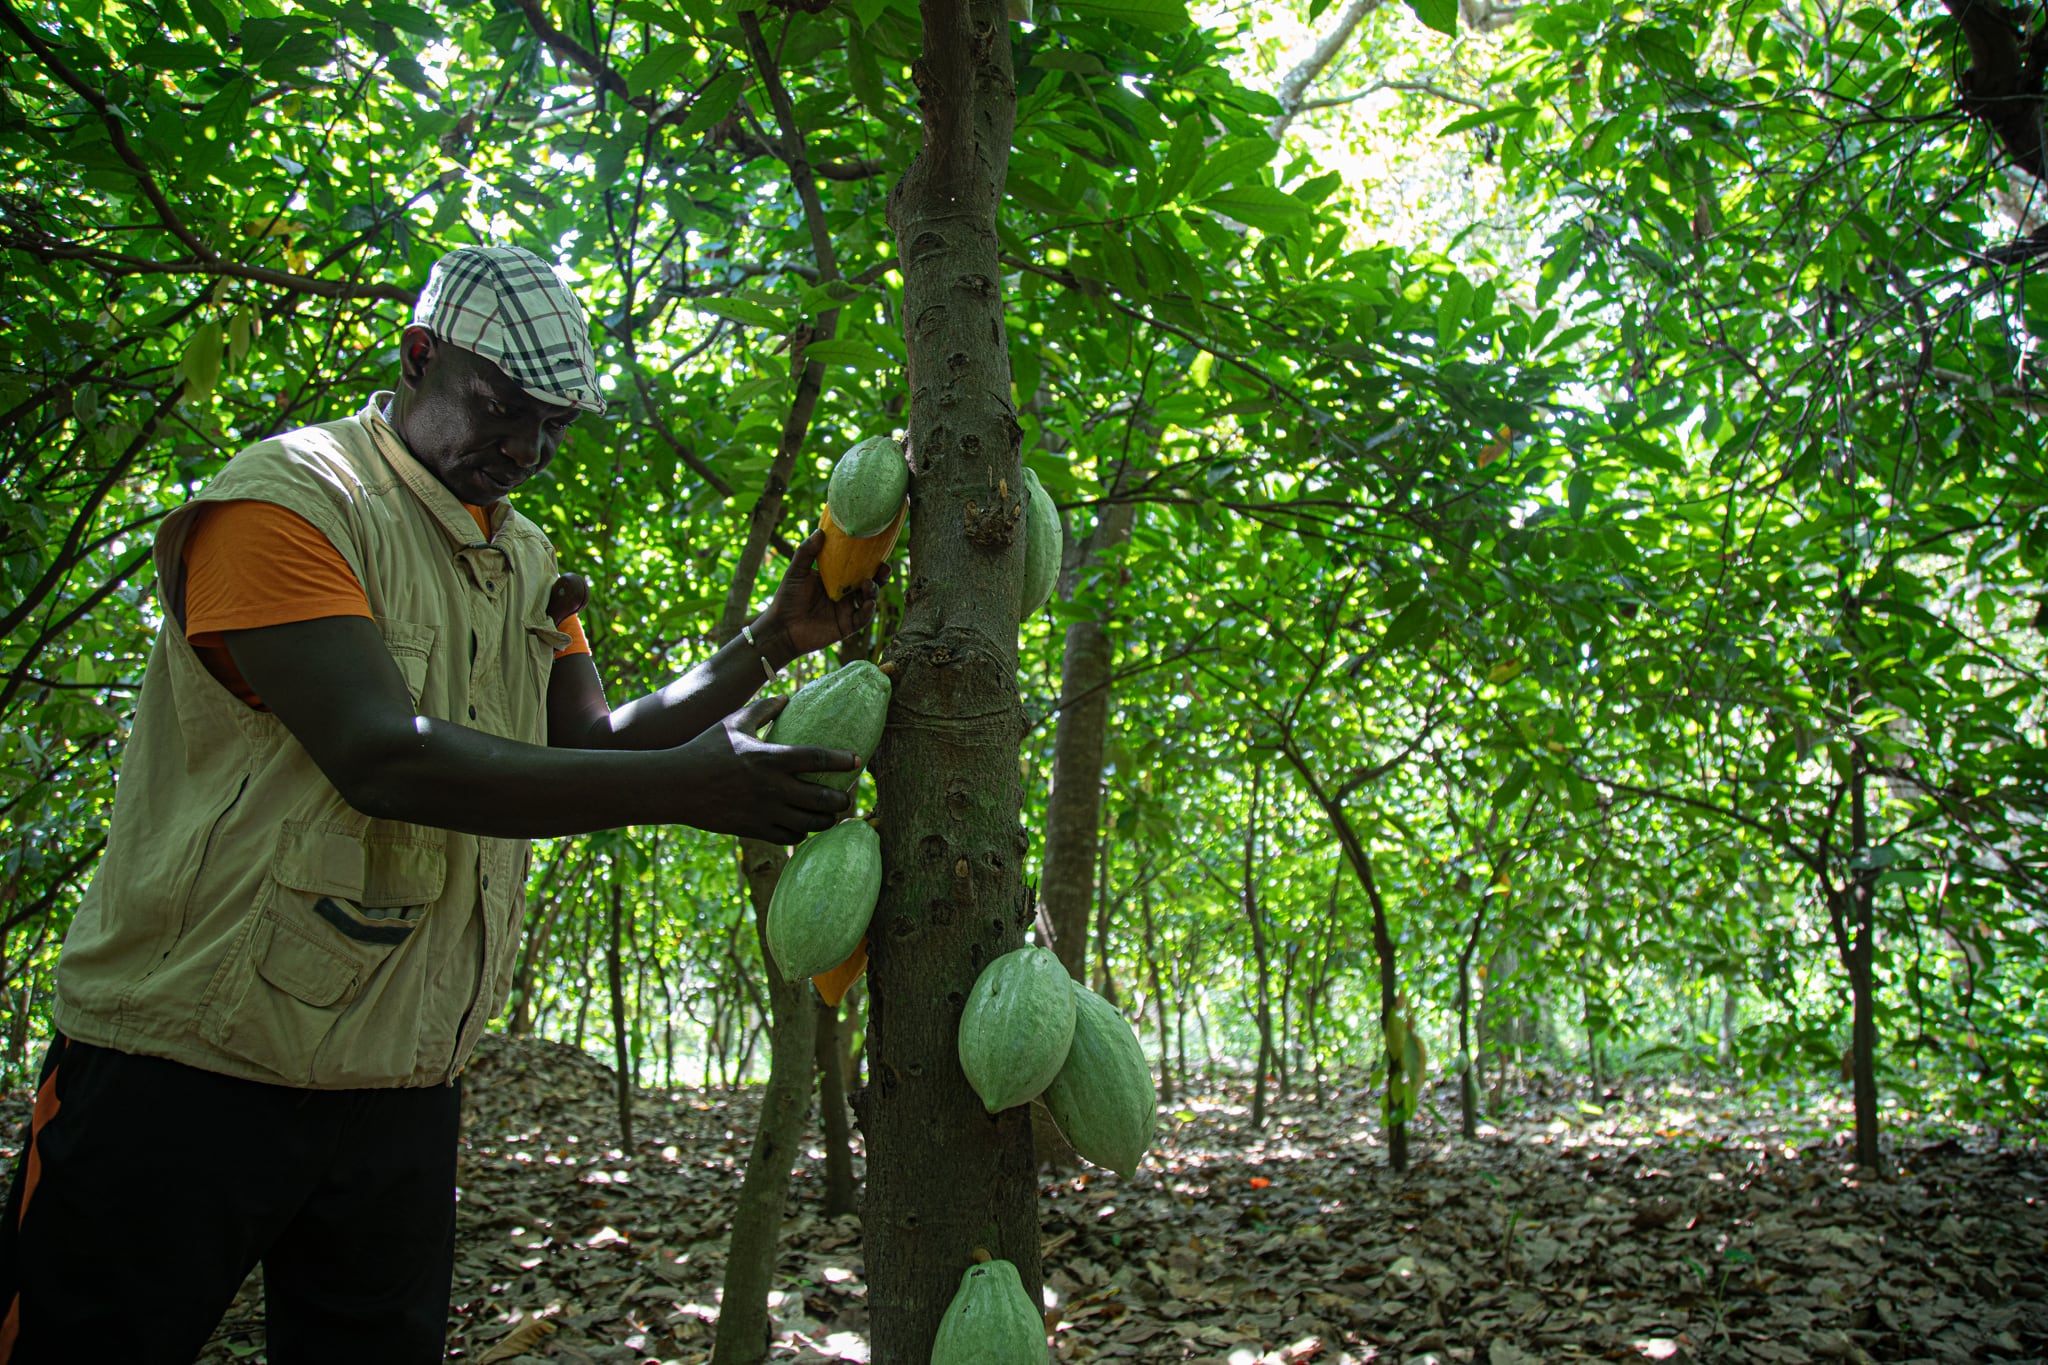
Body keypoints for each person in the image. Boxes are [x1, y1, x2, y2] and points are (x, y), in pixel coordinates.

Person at [0, 245, 881, 1363]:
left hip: (400, 1078)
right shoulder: (292, 501)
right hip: (189, 1063)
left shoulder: (518, 554)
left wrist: (768, 640)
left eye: (552, 427)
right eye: (503, 410)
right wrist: (684, 787)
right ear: (420, 356)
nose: (527, 450)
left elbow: (586, 741)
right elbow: (381, 758)